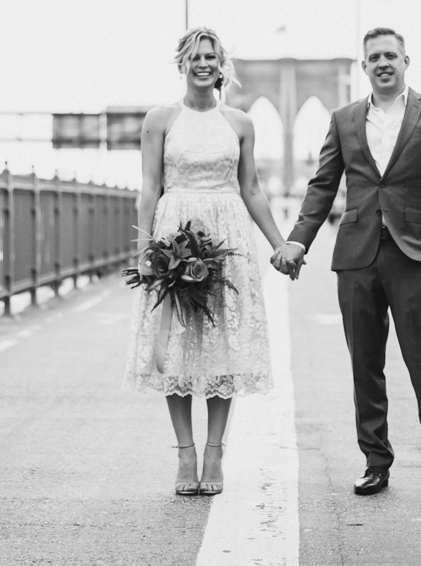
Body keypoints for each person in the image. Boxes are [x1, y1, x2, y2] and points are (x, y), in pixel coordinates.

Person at [272, 28, 421, 502]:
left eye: (391, 56)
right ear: (364, 67)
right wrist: (298, 241)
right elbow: (322, 186)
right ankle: (375, 462)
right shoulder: (343, 120)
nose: (383, 63)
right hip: (357, 256)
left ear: (405, 61)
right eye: (374, 57)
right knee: (365, 364)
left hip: (413, 254)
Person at [124, 27, 292, 497]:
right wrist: (146, 252)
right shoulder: (160, 120)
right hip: (174, 231)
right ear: (182, 63)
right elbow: (149, 188)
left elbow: (252, 189)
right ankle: (185, 452)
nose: (203, 63)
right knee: (175, 343)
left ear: (222, 66)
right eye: (195, 56)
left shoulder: (239, 123)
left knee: (222, 343)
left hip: (227, 236)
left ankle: (215, 450)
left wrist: (279, 244)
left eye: (211, 57)